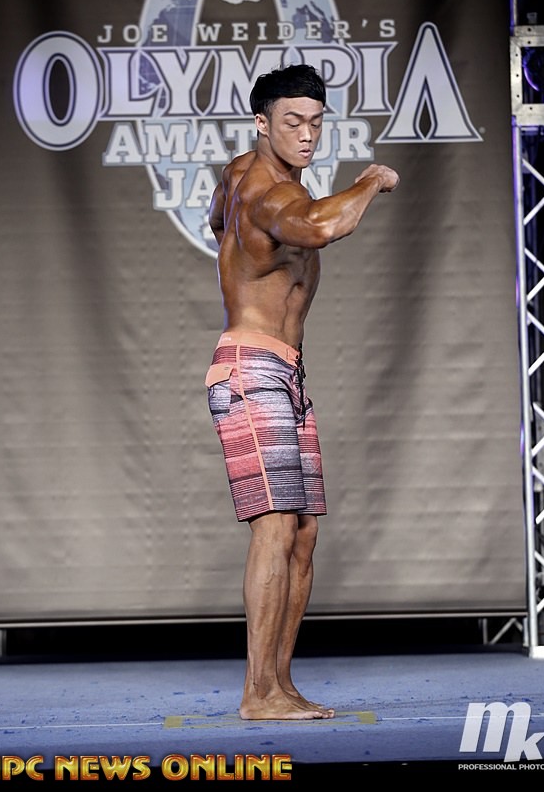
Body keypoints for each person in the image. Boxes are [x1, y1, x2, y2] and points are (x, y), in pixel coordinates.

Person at [205, 64, 399, 721]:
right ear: (262, 124)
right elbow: (317, 228)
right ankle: (257, 694)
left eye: (316, 122)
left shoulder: (242, 176)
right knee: (276, 525)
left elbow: (217, 219)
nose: (308, 134)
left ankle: (280, 686)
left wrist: (242, 255)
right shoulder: (268, 191)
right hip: (251, 368)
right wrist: (371, 181)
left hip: (285, 371)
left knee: (304, 532)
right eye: (293, 122)